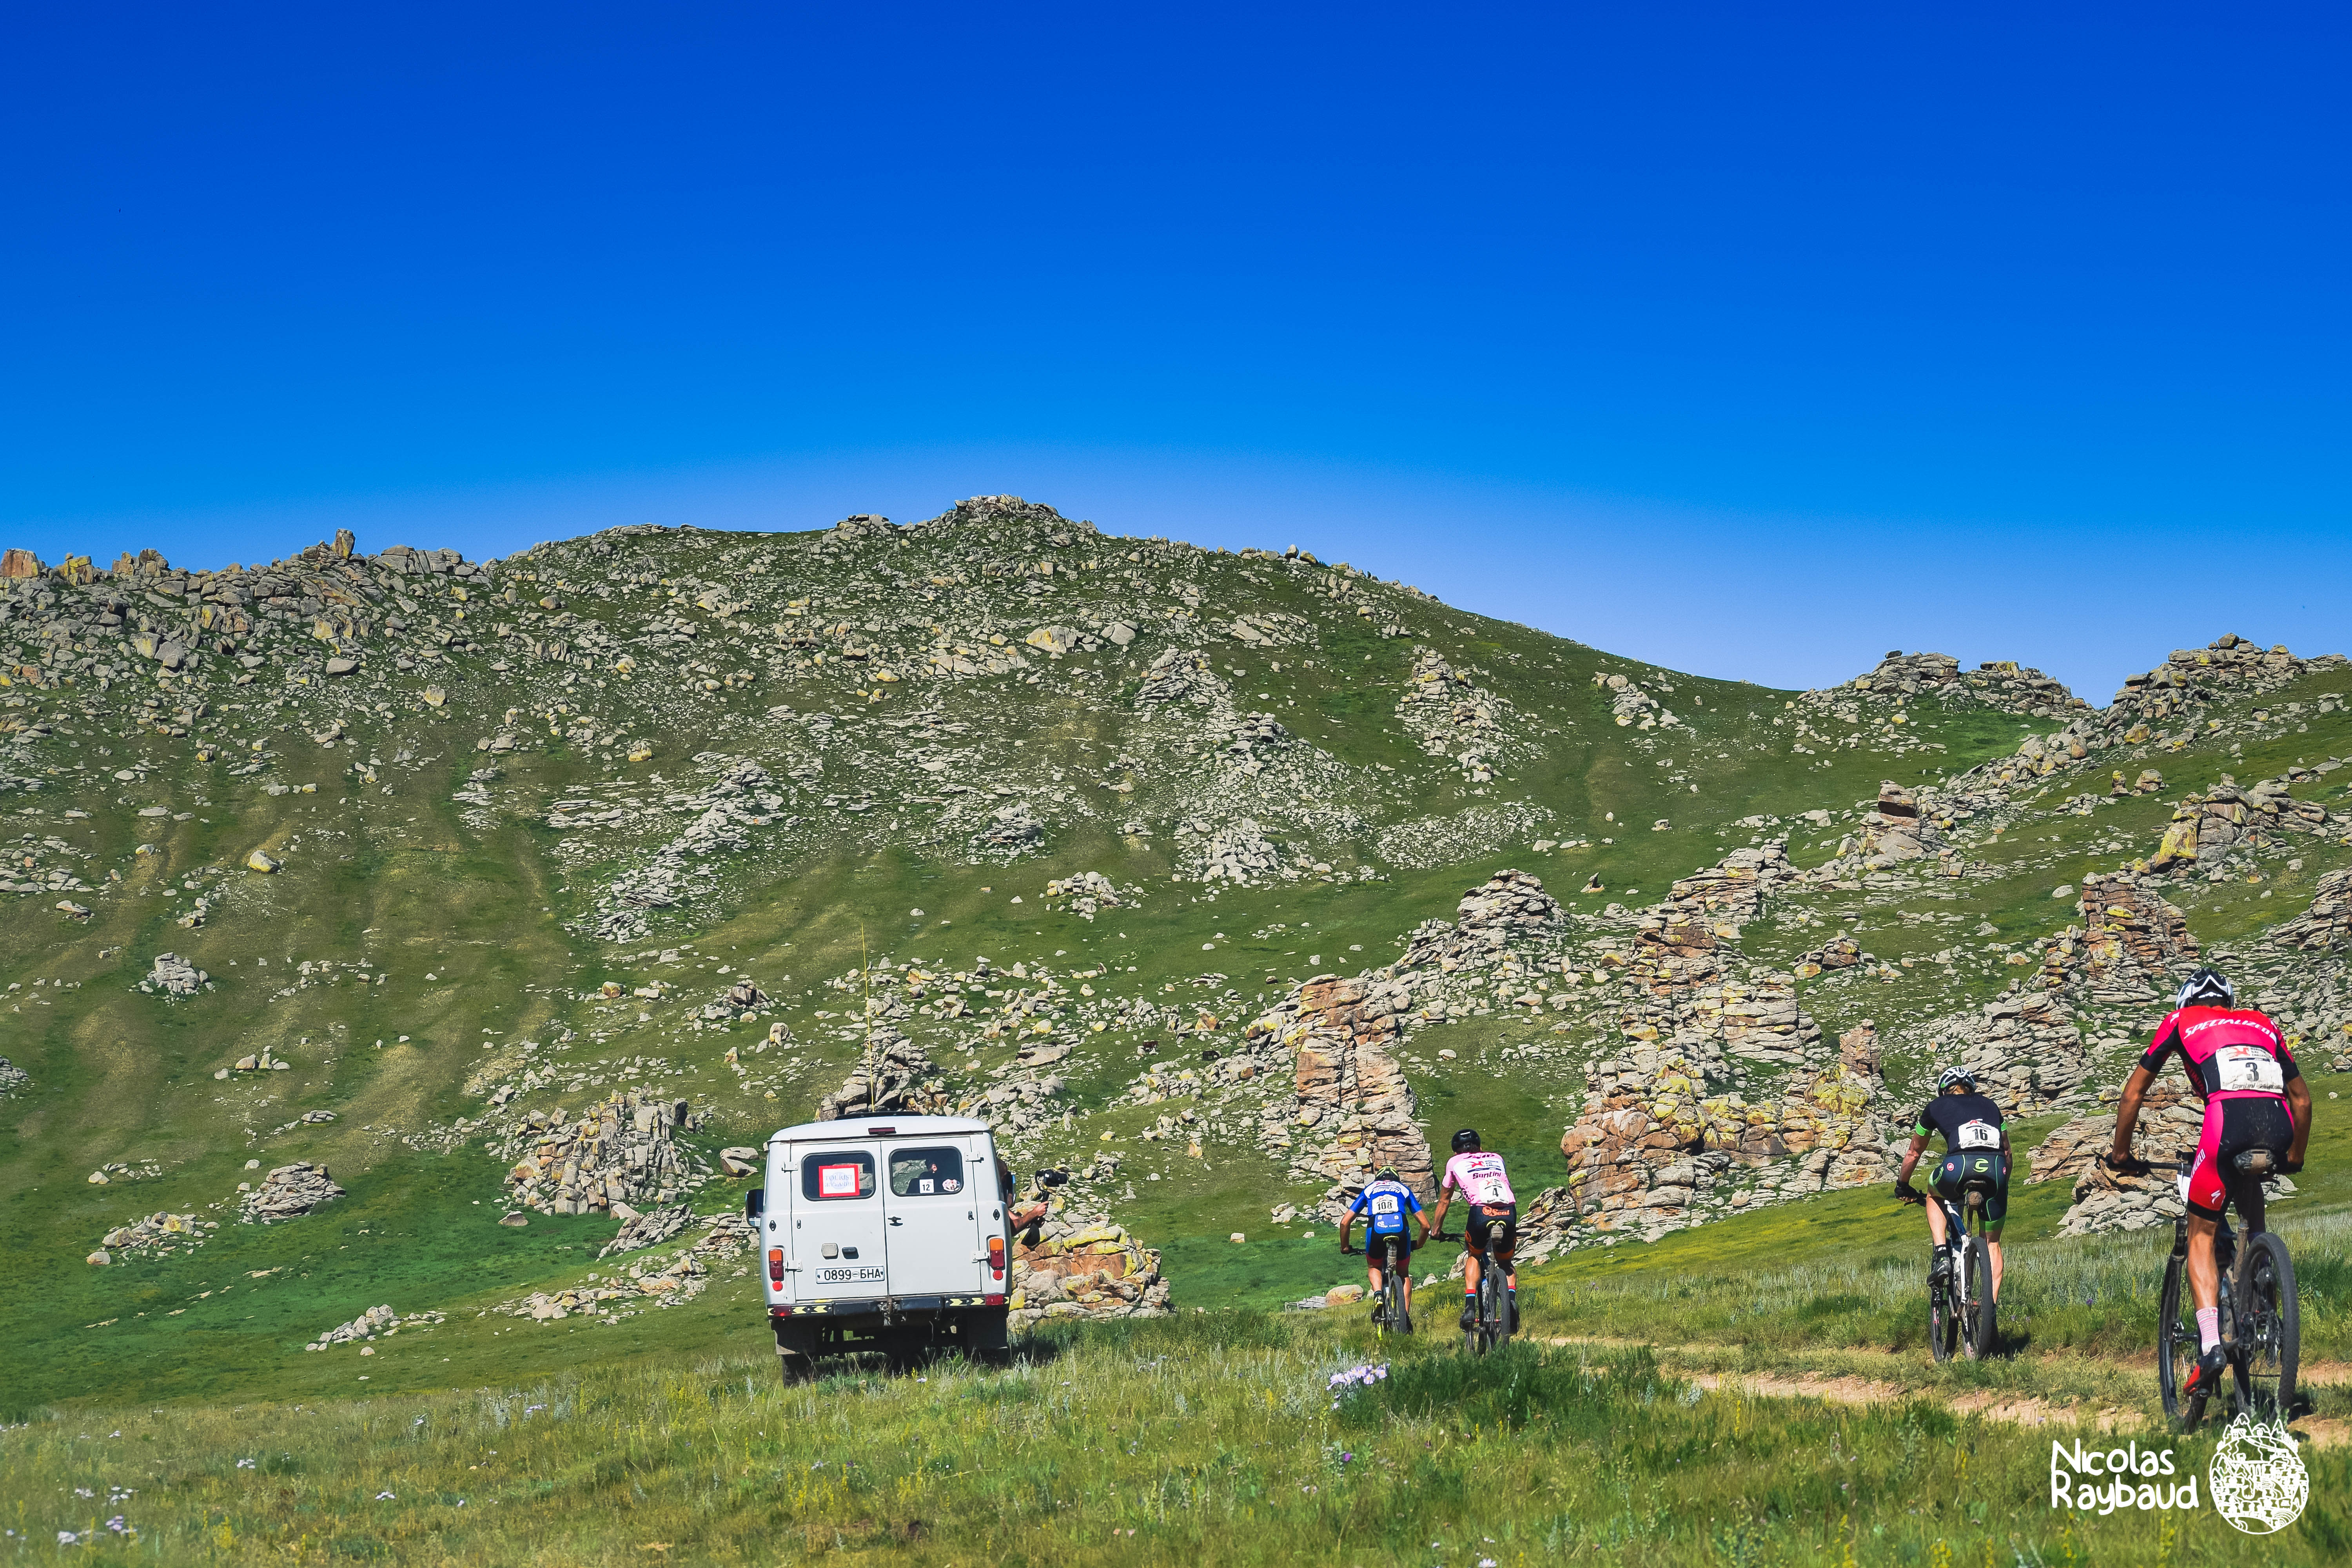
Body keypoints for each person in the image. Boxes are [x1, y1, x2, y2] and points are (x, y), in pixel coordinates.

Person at [2109, 966, 2311, 1401]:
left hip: (2227, 1122)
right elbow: (2302, 1098)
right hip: (2276, 1124)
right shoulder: (2260, 1021)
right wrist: (2294, 1157)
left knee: (2200, 1234)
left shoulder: (2180, 1021)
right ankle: (2260, 1292)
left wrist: (2121, 1153)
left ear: (2187, 1002)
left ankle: (2211, 1346)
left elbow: (2133, 1094)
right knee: (2250, 1205)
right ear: (2229, 1003)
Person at [1895, 1066, 2011, 1303]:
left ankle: (1941, 1254)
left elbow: (1914, 1153)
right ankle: (1989, 1313)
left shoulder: (1936, 1106)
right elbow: (2008, 1152)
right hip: (1996, 1169)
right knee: (1993, 1243)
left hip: (1957, 1167)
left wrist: (1902, 1185)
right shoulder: (1992, 1106)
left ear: (1944, 1090)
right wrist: (2001, 1185)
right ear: (1971, 1088)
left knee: (1933, 1193)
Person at [1428, 1128, 1517, 1332]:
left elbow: (1445, 1199)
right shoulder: (1497, 1158)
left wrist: (1436, 1230)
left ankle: (1470, 1308)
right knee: (1506, 1262)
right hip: (1508, 1211)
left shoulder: (1454, 1162)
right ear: (1481, 1147)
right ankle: (1510, 1302)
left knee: (1475, 1255)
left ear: (1456, 1152)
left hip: (1480, 1213)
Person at [1339, 1164, 1429, 1326]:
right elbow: (1426, 1226)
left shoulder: (1370, 1189)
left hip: (1376, 1230)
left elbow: (1345, 1223)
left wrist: (1345, 1247)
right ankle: (1405, 1318)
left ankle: (1379, 1294)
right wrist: (1419, 1244)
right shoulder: (1403, 1189)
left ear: (1379, 1178)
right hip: (1401, 1229)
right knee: (1404, 1275)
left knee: (1374, 1266)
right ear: (1396, 1179)